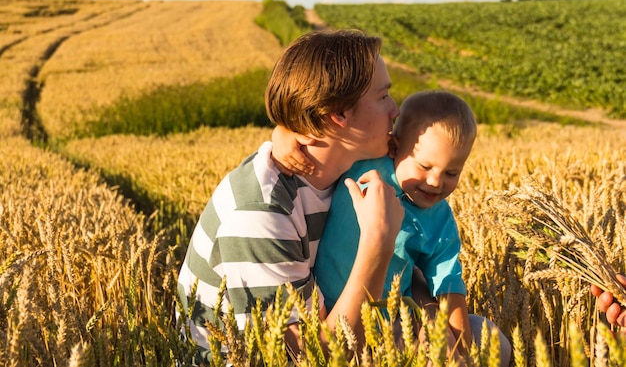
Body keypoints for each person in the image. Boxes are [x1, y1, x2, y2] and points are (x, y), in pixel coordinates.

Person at [176, 29, 404, 365]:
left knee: (477, 337)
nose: (395, 109)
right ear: (337, 115)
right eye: (383, 97)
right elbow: (312, 356)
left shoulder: (351, 165)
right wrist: (379, 242)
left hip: (339, 331)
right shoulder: (260, 214)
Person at [273, 90, 511, 365]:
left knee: (492, 342)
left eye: (451, 173)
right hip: (330, 321)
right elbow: (324, 139)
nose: (435, 182)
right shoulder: (364, 165)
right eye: (425, 166)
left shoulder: (439, 219)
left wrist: (462, 349)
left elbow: (449, 284)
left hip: (388, 328)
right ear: (395, 148)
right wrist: (283, 135)